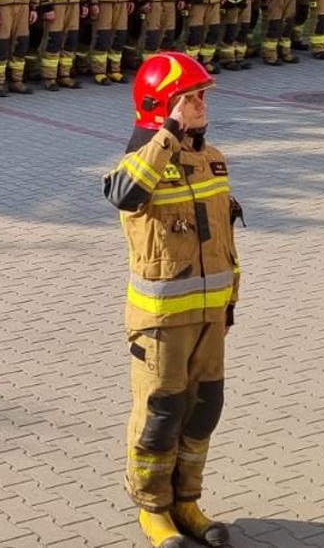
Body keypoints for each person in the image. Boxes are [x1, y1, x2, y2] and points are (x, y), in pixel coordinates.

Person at [104, 51, 240, 548]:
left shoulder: (213, 157)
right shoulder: (141, 163)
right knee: (161, 415)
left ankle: (188, 500)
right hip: (162, 323)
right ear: (162, 105)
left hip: (209, 316)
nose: (201, 103)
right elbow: (123, 193)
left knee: (205, 411)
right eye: (190, 96)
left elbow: (226, 238)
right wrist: (168, 132)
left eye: (201, 95)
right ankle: (153, 507)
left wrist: (230, 303)